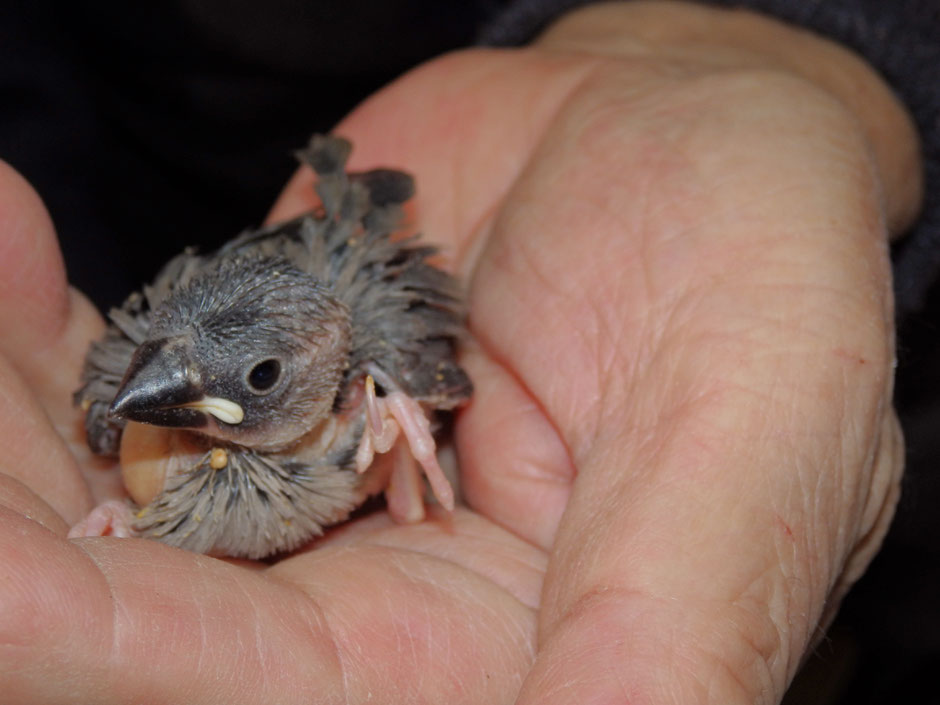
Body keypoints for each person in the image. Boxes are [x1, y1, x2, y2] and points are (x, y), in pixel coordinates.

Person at [0, 2, 934, 702]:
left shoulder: (382, 391)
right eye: (173, 363)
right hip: (116, 90)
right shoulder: (141, 391)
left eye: (254, 381)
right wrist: (125, 512)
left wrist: (773, 53)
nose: (157, 387)